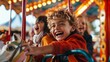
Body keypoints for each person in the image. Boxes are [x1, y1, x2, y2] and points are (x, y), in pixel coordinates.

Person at [23, 10, 88, 62]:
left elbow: (64, 46)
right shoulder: (55, 42)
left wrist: (39, 50)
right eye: (53, 26)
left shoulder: (77, 40)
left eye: (61, 24)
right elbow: (46, 58)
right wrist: (32, 55)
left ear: (72, 27)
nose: (56, 28)